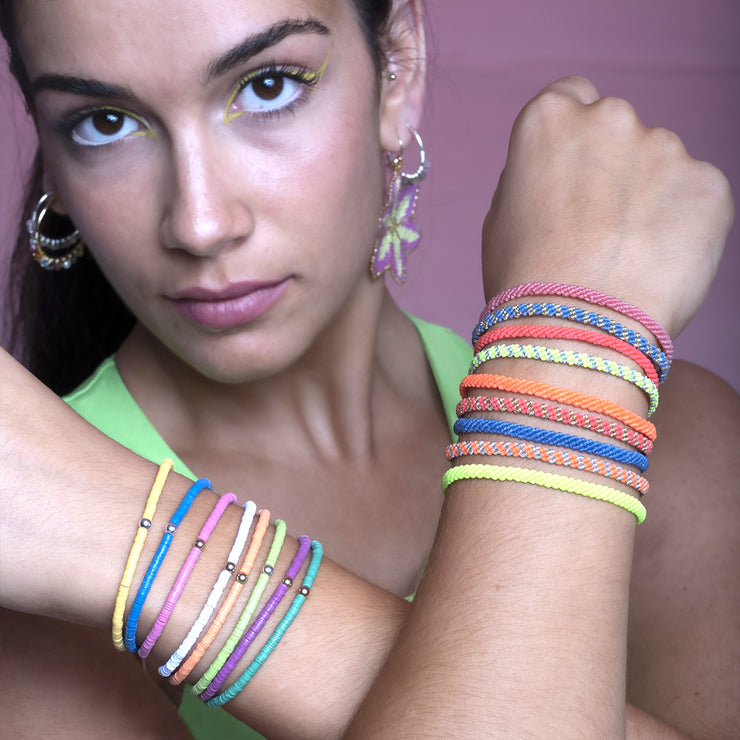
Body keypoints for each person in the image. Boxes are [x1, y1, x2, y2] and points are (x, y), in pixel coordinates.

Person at [0, 0, 737, 738]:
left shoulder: (681, 444)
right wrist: (575, 356)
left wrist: (152, 550)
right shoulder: (26, 577)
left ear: (398, 66)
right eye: (103, 122)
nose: (200, 223)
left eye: (268, 86)